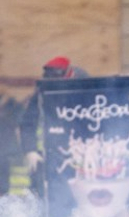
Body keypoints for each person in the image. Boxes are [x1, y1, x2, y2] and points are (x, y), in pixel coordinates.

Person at [20, 56, 89, 195]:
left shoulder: (86, 87)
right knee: (42, 193)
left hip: (82, 154)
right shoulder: (42, 91)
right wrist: (31, 150)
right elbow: (28, 122)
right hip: (49, 152)